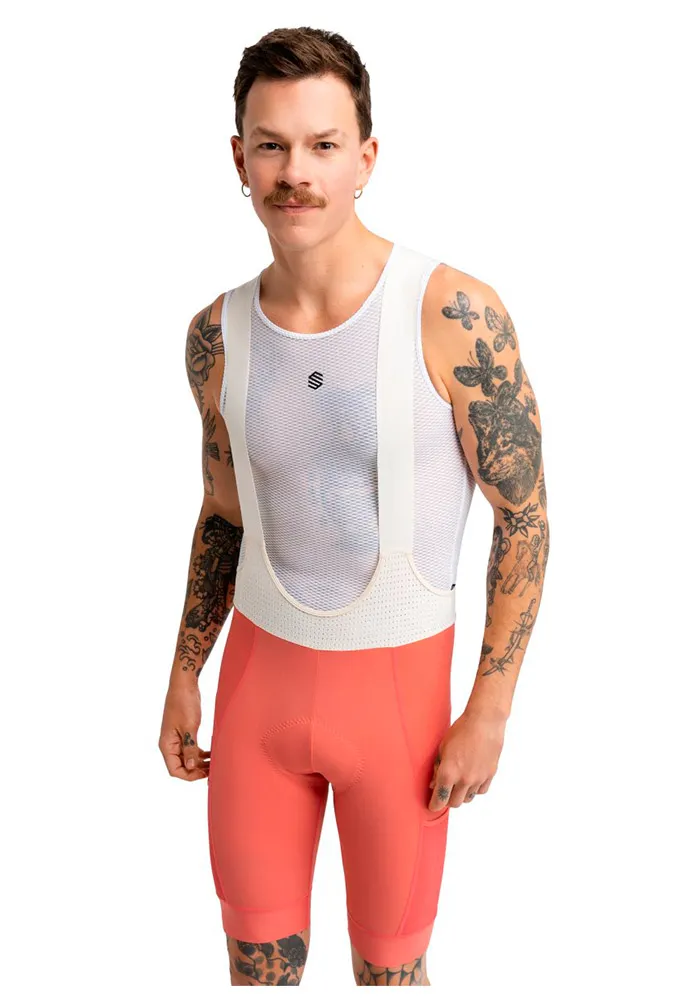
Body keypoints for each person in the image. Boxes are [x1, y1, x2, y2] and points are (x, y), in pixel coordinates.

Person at [160, 26, 549, 987]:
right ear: (240, 159)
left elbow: (526, 517)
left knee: (390, 977)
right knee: (256, 971)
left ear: (366, 158)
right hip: (257, 700)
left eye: (323, 145)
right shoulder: (216, 335)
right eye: (272, 145)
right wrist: (184, 670)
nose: (295, 172)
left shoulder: (451, 314)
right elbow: (223, 513)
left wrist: (490, 707)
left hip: (401, 714)